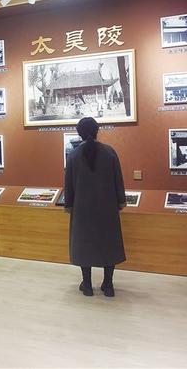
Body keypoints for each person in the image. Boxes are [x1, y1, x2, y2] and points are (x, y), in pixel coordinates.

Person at [63, 117, 126, 297]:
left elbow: (69, 184)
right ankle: (108, 285)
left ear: (79, 133)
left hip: (82, 210)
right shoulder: (109, 152)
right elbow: (118, 179)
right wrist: (121, 201)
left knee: (84, 244)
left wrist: (68, 205)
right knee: (109, 243)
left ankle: (88, 285)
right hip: (107, 208)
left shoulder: (73, 155)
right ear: (97, 131)